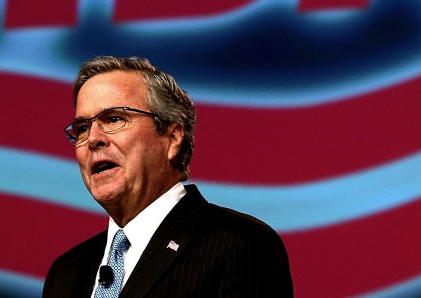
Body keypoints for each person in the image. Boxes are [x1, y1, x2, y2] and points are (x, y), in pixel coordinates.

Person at [42, 56, 292, 297]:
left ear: (172, 139)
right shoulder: (65, 272)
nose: (93, 139)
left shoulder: (240, 245)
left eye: (114, 119)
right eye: (83, 128)